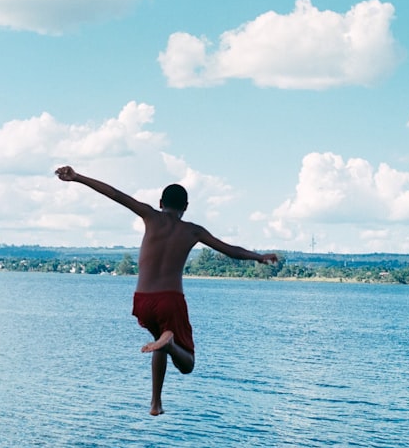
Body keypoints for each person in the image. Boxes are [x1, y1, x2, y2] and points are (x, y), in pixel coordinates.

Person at [55, 166, 279, 415]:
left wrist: (77, 177)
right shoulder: (193, 231)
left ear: (160, 202)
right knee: (187, 364)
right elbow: (230, 250)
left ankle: (155, 402)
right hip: (170, 300)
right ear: (186, 207)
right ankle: (170, 347)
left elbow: (116, 195)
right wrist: (259, 257)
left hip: (142, 300)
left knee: (159, 341)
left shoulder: (150, 216)